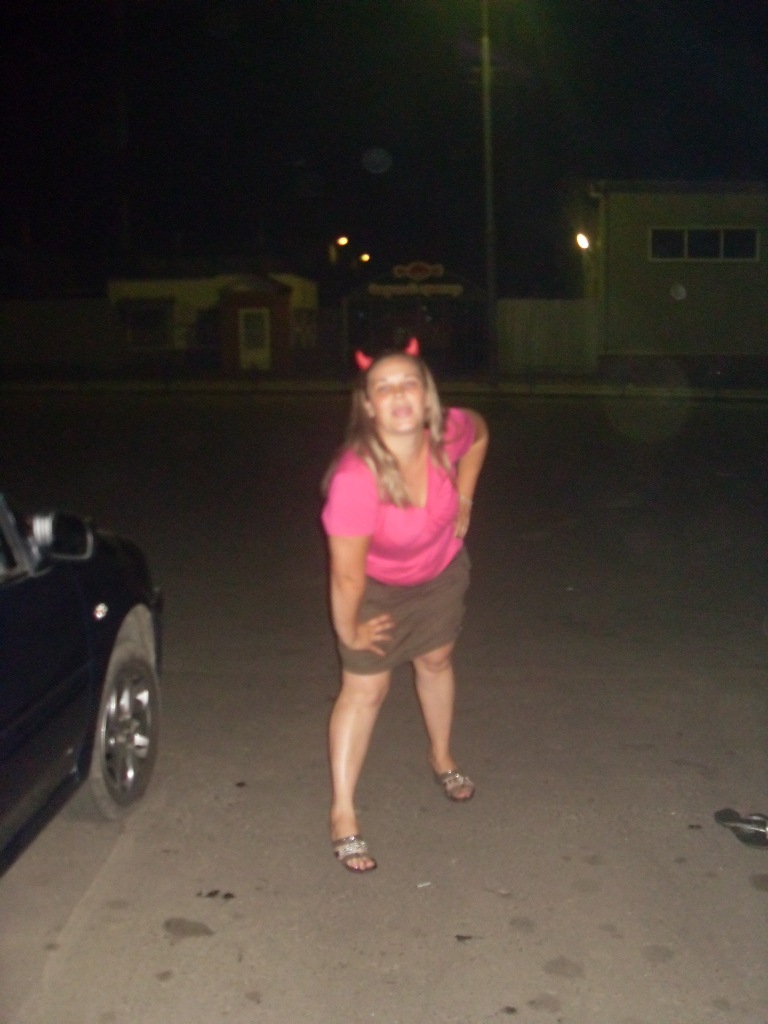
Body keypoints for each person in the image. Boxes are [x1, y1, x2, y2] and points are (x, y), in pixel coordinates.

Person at [321, 338, 489, 872]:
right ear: (369, 406)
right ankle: (343, 812)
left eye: (408, 383)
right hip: (374, 586)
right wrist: (349, 631)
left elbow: (480, 431)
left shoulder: (448, 435)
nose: (398, 395)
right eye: (383, 387)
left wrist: (465, 494)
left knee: (436, 660)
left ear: (427, 397)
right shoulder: (355, 479)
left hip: (440, 573)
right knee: (365, 690)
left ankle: (441, 756)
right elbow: (346, 575)